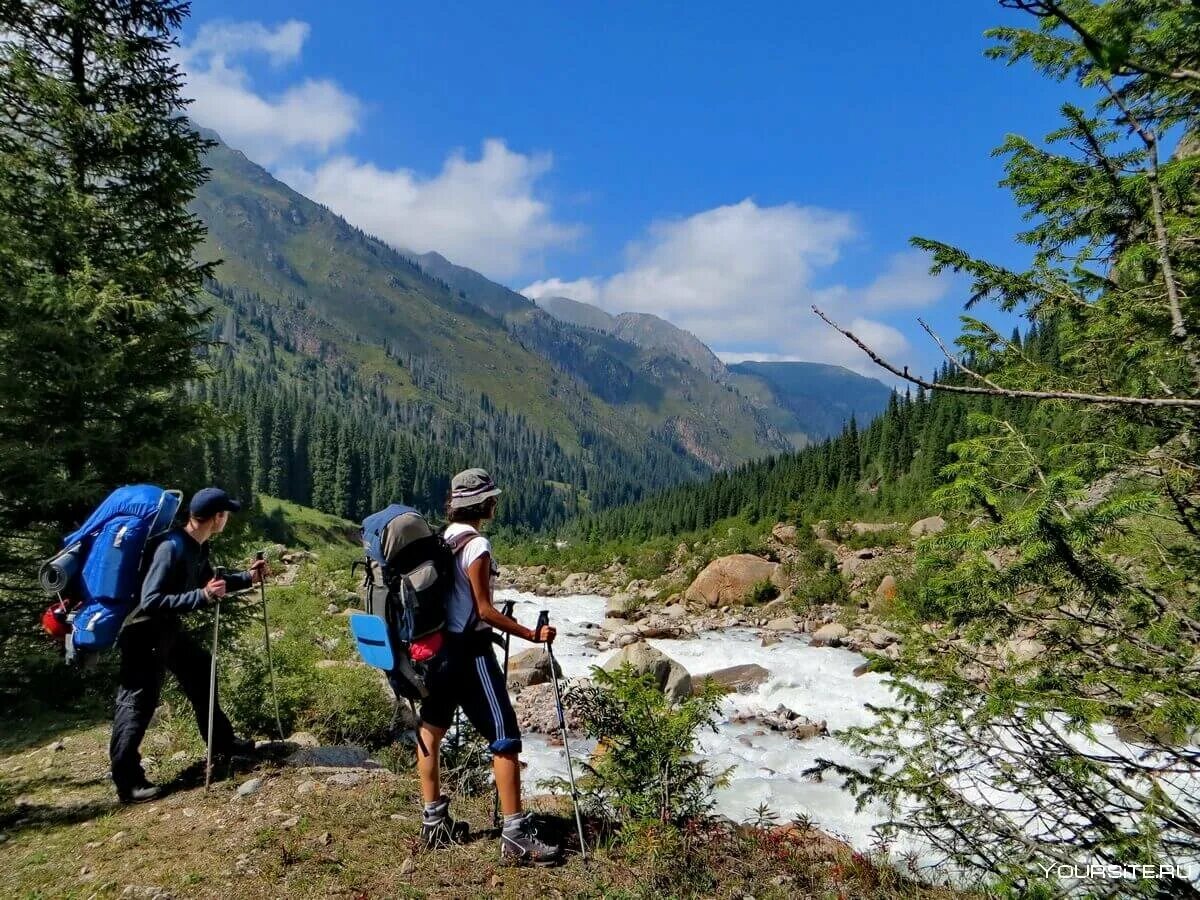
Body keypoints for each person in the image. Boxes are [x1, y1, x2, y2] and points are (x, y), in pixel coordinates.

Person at [416, 468, 563, 865]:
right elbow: (483, 610)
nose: (495, 503)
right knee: (505, 735)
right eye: (491, 498)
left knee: (431, 729)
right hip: (471, 653)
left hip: (438, 650)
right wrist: (532, 636)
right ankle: (515, 836)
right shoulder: (476, 544)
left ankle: (434, 823)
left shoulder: (443, 538)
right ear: (481, 504)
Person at [109, 487, 269, 803]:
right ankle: (127, 783)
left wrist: (248, 578)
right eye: (226, 515)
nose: (227, 520)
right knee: (138, 702)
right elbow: (151, 600)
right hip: (143, 632)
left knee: (201, 669)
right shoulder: (171, 547)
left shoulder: (198, 546)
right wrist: (202, 597)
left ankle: (222, 744)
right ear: (217, 517)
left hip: (167, 630)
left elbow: (211, 581)